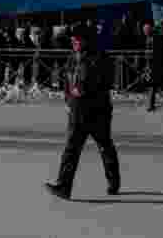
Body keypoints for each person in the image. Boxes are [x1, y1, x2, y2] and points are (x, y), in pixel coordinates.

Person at [45, 24, 121, 200]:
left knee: (104, 145)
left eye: (77, 40)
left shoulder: (100, 57)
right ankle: (64, 186)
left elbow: (107, 82)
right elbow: (67, 80)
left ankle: (113, 181)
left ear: (86, 40)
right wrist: (68, 100)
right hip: (78, 111)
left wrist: (86, 89)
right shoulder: (73, 57)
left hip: (97, 111)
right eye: (72, 40)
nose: (74, 43)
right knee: (71, 149)